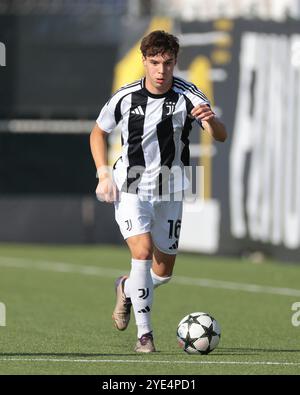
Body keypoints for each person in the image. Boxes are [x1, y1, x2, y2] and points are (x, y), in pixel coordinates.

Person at [90, 30, 227, 353]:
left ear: (175, 62)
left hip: (173, 186)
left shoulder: (189, 94)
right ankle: (145, 336)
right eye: (154, 63)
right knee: (141, 252)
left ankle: (126, 287)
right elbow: (97, 133)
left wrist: (212, 120)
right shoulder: (125, 97)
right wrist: (103, 174)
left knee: (162, 273)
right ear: (144, 62)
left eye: (167, 63)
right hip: (131, 184)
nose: (161, 70)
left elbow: (219, 135)